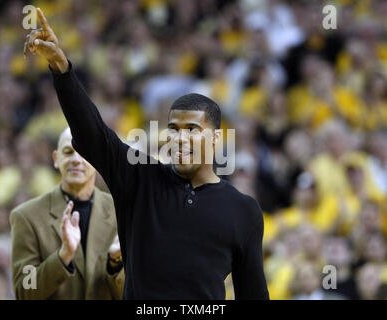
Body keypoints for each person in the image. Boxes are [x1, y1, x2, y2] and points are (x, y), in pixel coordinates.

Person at [23, 8, 269, 300]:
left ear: (216, 139)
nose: (180, 138)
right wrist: (62, 69)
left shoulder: (243, 210)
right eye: (173, 129)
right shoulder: (140, 179)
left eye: (192, 129)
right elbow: (93, 136)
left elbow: (253, 294)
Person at [10, 127, 124, 299]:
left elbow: (138, 294)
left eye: (85, 153)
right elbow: (25, 291)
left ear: (98, 159)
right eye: (68, 151)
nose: (76, 160)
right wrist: (63, 256)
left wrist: (116, 263)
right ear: (56, 159)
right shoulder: (26, 217)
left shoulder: (122, 213)